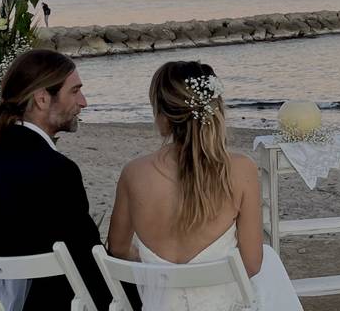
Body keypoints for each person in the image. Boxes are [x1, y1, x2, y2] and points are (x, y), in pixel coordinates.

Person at [108, 61, 302, 311]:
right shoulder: (241, 170)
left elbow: (118, 248)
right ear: (215, 109)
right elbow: (252, 264)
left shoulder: (133, 173)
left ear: (163, 117)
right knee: (271, 266)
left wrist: (157, 270)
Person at [0, 50, 111, 310]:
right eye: (74, 91)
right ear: (41, 99)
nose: (83, 102)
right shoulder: (57, 169)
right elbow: (89, 261)